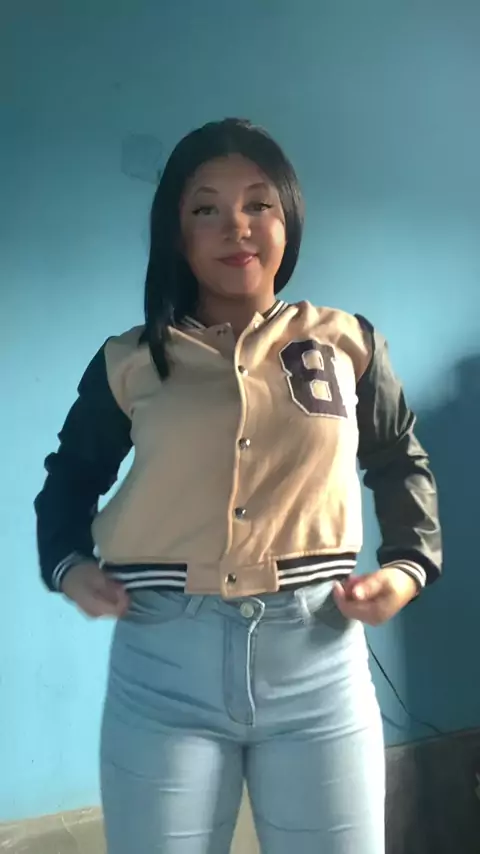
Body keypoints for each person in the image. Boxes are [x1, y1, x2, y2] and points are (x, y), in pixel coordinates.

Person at [34, 118, 441, 854]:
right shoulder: (130, 360)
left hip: (318, 657)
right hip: (162, 662)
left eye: (259, 203)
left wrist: (408, 567)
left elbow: (398, 458)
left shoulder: (347, 342)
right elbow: (70, 475)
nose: (237, 227)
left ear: (289, 218)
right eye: (206, 208)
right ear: (177, 231)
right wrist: (68, 564)